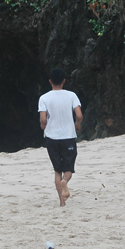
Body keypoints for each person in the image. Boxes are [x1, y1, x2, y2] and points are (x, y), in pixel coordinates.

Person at [38, 68, 82, 207]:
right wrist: (77, 125)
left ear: (50, 81)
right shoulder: (71, 95)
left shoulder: (44, 98)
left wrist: (43, 127)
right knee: (68, 168)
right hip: (68, 136)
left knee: (57, 170)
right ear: (64, 81)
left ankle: (62, 202)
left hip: (52, 138)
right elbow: (79, 115)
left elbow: (43, 119)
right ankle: (65, 181)